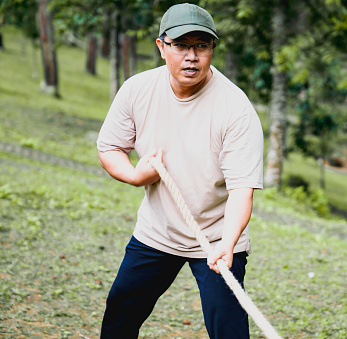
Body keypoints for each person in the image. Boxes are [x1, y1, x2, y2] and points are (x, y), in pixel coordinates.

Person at [96, 3, 264, 338]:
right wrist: (134, 175)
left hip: (217, 239)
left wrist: (228, 244)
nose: (192, 56)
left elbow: (241, 191)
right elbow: (110, 148)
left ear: (211, 49)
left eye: (201, 46)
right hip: (157, 233)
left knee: (229, 331)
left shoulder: (236, 110)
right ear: (161, 47)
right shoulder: (137, 90)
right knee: (120, 317)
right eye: (181, 45)